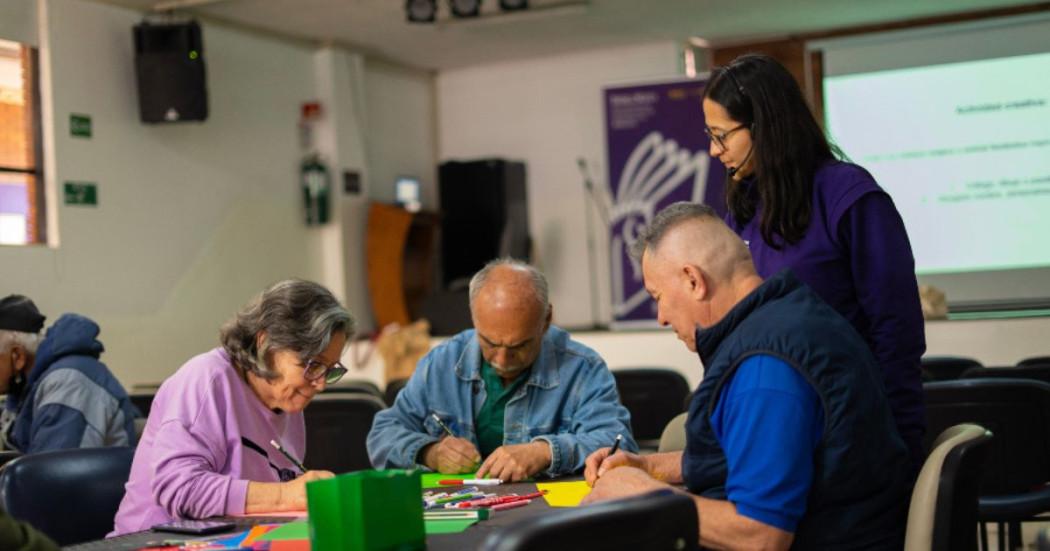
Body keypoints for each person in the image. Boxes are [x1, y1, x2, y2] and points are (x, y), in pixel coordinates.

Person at [584, 203, 912, 550]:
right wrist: (647, 465)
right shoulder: (789, 320)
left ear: (694, 281)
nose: (662, 317)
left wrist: (643, 494)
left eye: (658, 297)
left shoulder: (765, 367)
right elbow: (758, 454)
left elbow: (762, 536)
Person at [702, 54, 926, 467]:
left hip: (855, 429)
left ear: (764, 126)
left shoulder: (849, 195)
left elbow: (897, 331)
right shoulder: (744, 209)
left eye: (722, 136)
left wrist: (897, 441)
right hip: (779, 427)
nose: (715, 151)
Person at [110, 280, 353, 536]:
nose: (321, 384)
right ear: (265, 344)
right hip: (153, 541)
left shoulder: (289, 399)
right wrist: (286, 495)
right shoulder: (207, 381)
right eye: (312, 365)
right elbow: (180, 489)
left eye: (330, 369)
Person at [368, 259, 636, 481]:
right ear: (474, 318)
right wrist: (430, 452)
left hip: (546, 517)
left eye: (520, 345)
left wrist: (544, 452)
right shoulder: (441, 363)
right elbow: (383, 434)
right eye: (490, 342)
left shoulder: (582, 368)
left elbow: (619, 443)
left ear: (546, 321)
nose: (503, 358)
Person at [0, 295, 137, 453]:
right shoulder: (25, 387)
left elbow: (53, 472)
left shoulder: (68, 384)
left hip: (107, 478)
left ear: (18, 356)